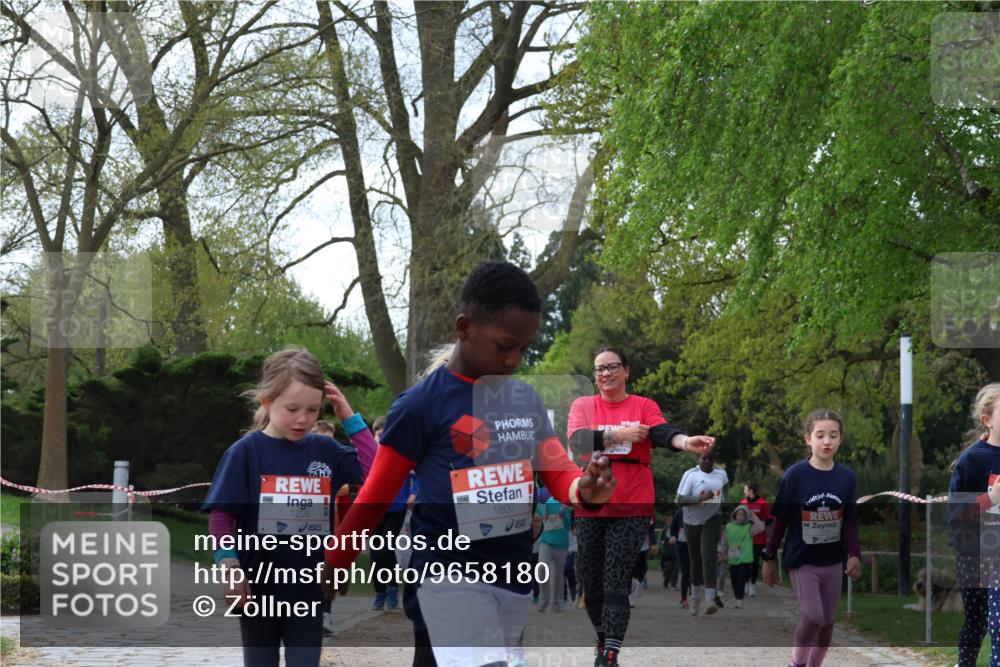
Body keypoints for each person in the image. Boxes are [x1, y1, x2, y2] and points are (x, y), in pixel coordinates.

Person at [322, 261, 618, 667]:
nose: (514, 360)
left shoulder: (524, 401)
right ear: (464, 328)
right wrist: (334, 563)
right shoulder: (421, 405)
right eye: (504, 346)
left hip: (511, 575)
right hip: (446, 574)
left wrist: (582, 488)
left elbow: (557, 467)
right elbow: (376, 494)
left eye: (523, 349)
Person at [202, 347, 377, 667]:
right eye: (293, 408)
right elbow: (222, 515)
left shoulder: (325, 449)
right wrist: (228, 563)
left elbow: (377, 474)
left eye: (313, 410)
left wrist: (351, 420)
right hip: (258, 589)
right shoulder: (246, 452)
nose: (303, 419)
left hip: (310, 591)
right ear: (267, 403)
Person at [568, 346, 715, 666]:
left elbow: (663, 433)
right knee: (589, 583)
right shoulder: (584, 405)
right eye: (599, 369)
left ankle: (610, 651)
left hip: (632, 501)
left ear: (626, 371)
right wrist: (619, 433)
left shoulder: (643, 405)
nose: (606, 373)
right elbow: (577, 441)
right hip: (592, 501)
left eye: (612, 367)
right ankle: (602, 636)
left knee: (615, 578)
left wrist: (685, 441)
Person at [762, 409, 862, 667]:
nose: (827, 441)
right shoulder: (795, 475)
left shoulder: (847, 477)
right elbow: (780, 519)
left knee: (828, 623)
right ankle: (796, 664)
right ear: (808, 439)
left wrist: (854, 555)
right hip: (803, 560)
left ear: (840, 439)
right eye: (820, 435)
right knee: (814, 617)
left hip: (832, 560)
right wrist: (769, 557)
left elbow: (850, 520)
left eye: (833, 435)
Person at [948, 383, 1000, 667]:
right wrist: (989, 498)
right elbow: (955, 513)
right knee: (977, 622)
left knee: (999, 621)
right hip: (973, 551)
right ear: (987, 420)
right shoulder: (972, 460)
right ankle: (965, 662)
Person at [369, 415, 414, 611]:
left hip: (395, 509)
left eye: (385, 433)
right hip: (371, 510)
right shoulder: (367, 455)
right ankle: (380, 591)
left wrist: (413, 494)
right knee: (375, 554)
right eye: (378, 434)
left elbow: (416, 475)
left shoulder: (402, 453)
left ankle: (393, 588)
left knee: (385, 549)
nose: (381, 437)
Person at [676, 451, 728, 615]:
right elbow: (679, 500)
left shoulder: (721, 474)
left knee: (708, 556)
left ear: (714, 460)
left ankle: (710, 599)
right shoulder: (690, 475)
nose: (706, 461)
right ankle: (695, 598)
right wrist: (699, 499)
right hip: (691, 520)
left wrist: (719, 500)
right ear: (698, 460)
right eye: (703, 458)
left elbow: (725, 497)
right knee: (696, 561)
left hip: (713, 517)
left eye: (710, 458)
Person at [535, 489, 573, 612]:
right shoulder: (544, 502)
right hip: (545, 542)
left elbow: (572, 524)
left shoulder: (568, 503)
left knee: (557, 574)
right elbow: (535, 516)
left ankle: (555, 602)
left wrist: (567, 511)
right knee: (541, 568)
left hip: (561, 543)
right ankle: (543, 599)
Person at [719, 506, 764, 608]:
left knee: (741, 578)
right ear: (735, 515)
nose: (741, 517)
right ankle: (737, 597)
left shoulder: (750, 528)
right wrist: (723, 554)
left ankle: (739, 599)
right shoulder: (728, 527)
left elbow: (761, 527)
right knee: (734, 579)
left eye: (743, 515)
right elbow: (724, 542)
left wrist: (753, 515)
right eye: (739, 514)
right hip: (733, 558)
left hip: (745, 559)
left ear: (746, 516)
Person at [740, 482, 772, 597]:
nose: (744, 492)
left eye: (745, 489)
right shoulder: (743, 503)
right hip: (745, 538)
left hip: (759, 538)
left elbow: (769, 519)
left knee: (754, 563)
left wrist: (758, 522)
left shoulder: (763, 503)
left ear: (751, 490)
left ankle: (753, 585)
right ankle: (745, 585)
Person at [670, 507, 691, 608]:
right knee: (685, 571)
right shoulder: (679, 513)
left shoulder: (699, 512)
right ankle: (684, 599)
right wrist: (673, 536)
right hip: (682, 545)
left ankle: (693, 593)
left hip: (695, 546)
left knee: (694, 571)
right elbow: (673, 529)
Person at [659, 511, 679, 590]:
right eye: (670, 517)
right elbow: (660, 539)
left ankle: (673, 584)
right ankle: (666, 580)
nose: (671, 519)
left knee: (676, 569)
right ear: (667, 519)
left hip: (676, 550)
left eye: (672, 517)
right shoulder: (665, 529)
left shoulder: (677, 527)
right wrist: (661, 548)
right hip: (667, 551)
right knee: (668, 568)